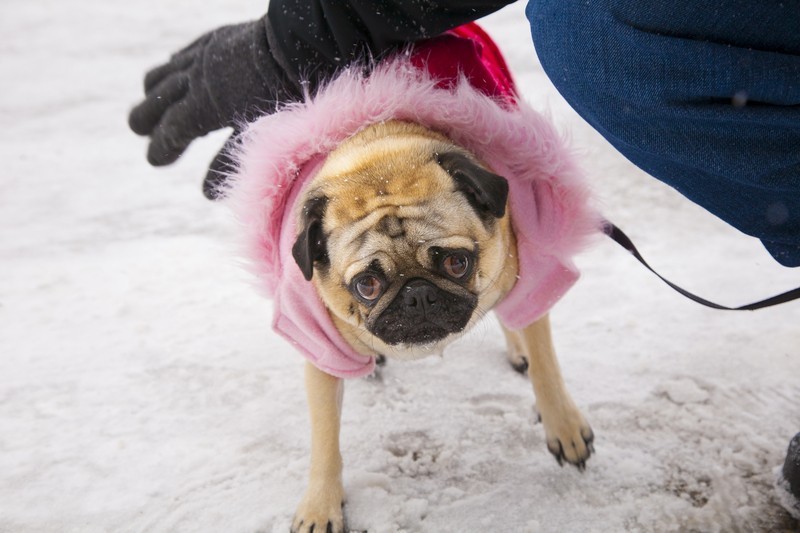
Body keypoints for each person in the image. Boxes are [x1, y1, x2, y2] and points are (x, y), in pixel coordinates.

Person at [127, 0, 800, 518]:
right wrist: (321, 483)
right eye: (368, 282)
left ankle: (517, 362)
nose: (416, 300)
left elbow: (524, 284)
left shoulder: (505, 213)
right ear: (312, 262)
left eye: (449, 263)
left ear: (493, 209)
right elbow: (325, 349)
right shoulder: (307, 260)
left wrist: (551, 397)